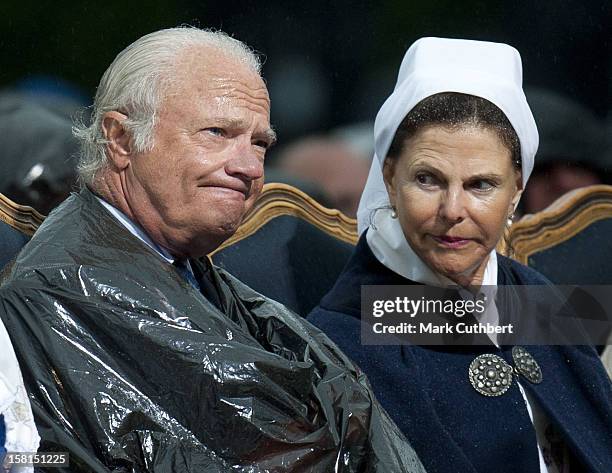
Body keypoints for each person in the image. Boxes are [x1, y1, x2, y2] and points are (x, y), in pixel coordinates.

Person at [0, 27, 425, 472]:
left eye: (260, 143)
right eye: (217, 132)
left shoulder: (198, 272)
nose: (248, 167)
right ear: (121, 140)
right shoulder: (57, 294)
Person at [308, 37, 612, 473]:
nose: (453, 211)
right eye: (428, 180)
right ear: (390, 177)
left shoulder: (536, 297)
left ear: (517, 191)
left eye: (481, 185)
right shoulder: (340, 339)